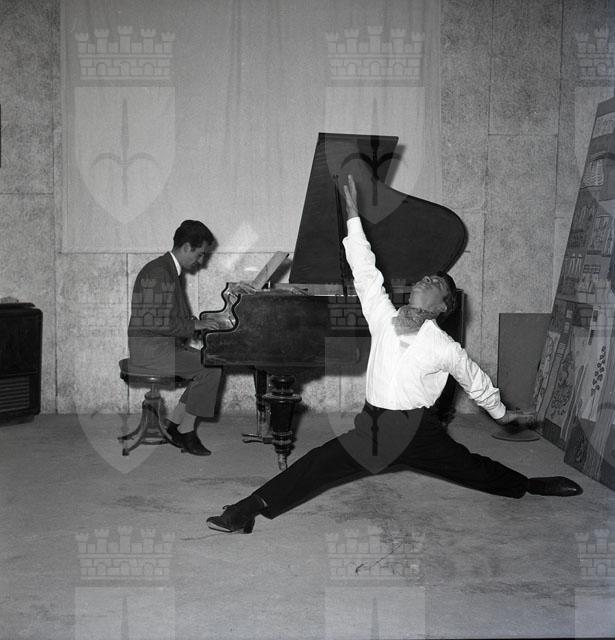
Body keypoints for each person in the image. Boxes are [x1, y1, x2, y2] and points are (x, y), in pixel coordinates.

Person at [206, 175, 582, 533]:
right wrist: (352, 214)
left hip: (419, 432)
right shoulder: (384, 317)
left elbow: (476, 381)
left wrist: (502, 414)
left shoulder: (444, 346)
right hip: (373, 426)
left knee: (473, 469)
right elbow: (365, 269)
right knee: (318, 464)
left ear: (441, 307)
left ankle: (527, 485)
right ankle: (247, 509)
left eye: (435, 283)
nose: (425, 280)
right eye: (426, 277)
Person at [128, 220, 223, 456]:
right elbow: (152, 321)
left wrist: (196, 323)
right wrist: (194, 325)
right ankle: (186, 431)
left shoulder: (167, 269)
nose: (201, 261)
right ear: (187, 247)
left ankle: (174, 425)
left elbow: (169, 315)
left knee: (210, 362)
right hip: (151, 350)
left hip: (161, 345)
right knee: (210, 368)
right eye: (200, 254)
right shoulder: (159, 272)